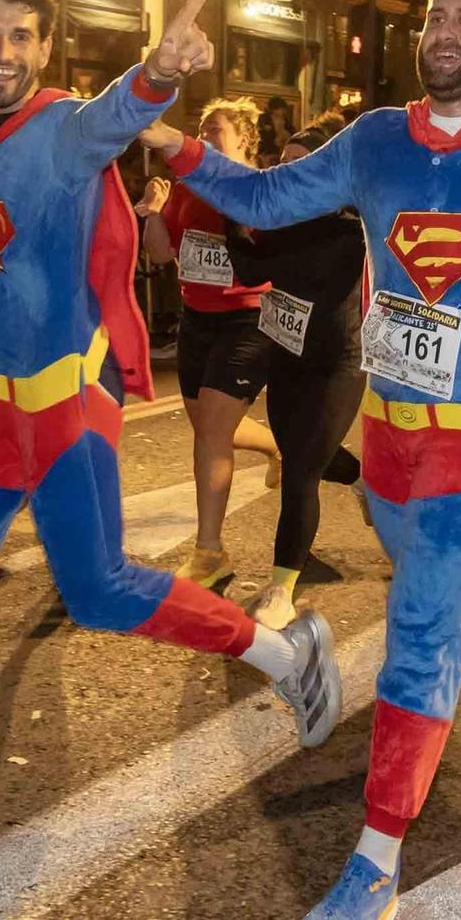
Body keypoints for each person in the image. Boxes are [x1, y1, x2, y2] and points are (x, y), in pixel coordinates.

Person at [0, 0, 341, 877]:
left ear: (46, 47)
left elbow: (111, 116)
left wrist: (158, 74)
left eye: (22, 35)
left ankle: (282, 651)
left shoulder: (60, 129)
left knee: (97, 589)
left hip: (61, 402)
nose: (4, 51)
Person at [145, 0, 461, 920]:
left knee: (414, 635)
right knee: (440, 595)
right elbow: (273, 199)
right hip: (393, 432)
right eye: (434, 15)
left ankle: (375, 861)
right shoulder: (374, 140)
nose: (444, 31)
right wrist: (177, 147)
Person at [222, 112, 369, 629]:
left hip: (337, 366)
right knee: (304, 455)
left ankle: (280, 588)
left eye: (300, 167)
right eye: (281, 166)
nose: (286, 177)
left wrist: (250, 224)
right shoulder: (279, 221)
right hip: (286, 355)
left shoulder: (350, 228)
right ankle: (364, 479)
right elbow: (247, 268)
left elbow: (278, 265)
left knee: (300, 475)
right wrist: (232, 217)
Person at [140, 97, 283, 588]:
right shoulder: (185, 187)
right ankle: (280, 449)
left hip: (247, 320)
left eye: (215, 129)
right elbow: (162, 255)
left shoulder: (254, 186)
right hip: (196, 319)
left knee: (211, 436)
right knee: (209, 428)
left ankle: (209, 552)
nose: (203, 136)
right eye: (199, 128)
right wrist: (154, 214)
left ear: (243, 138)